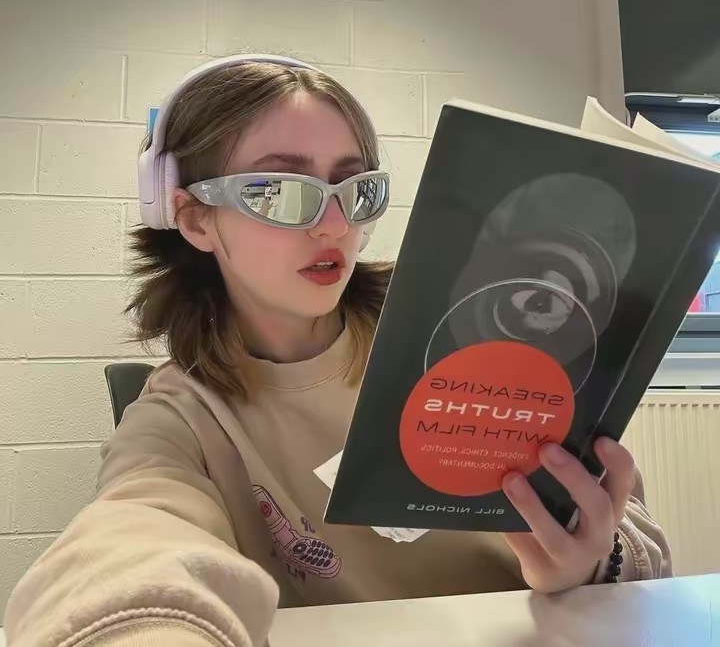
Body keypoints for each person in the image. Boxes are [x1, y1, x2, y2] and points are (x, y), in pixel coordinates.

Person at [4, 54, 672, 646]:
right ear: (195, 218)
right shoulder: (183, 413)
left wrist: (594, 558)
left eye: (356, 190)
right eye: (279, 191)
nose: (334, 225)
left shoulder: (466, 327)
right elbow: (134, 537)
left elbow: (637, 542)